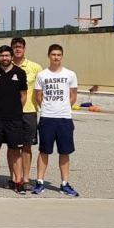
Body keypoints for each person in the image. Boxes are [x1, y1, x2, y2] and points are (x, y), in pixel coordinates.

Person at [33, 44, 80, 197]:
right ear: (49, 56)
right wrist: (47, 107)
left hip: (65, 119)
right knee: (44, 151)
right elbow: (38, 96)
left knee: (65, 152)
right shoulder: (42, 75)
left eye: (59, 54)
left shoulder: (70, 74)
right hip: (47, 118)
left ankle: (64, 183)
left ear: (62, 56)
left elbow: (73, 94)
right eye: (53, 54)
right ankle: (39, 181)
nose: (56, 57)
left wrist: (65, 107)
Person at [0, 45, 28, 194]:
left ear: (11, 57)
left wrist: (15, 109)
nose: (5, 58)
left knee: (16, 151)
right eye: (2, 56)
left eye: (7, 56)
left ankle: (18, 181)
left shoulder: (20, 73)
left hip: (14, 119)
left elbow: (23, 95)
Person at [11, 36, 43, 190]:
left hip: (29, 111)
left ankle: (25, 178)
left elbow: (41, 90)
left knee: (27, 147)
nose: (17, 49)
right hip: (11, 114)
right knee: (12, 147)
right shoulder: (6, 67)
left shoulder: (35, 68)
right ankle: (13, 177)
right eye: (15, 46)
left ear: (24, 49)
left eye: (20, 47)